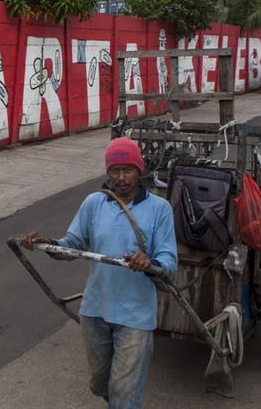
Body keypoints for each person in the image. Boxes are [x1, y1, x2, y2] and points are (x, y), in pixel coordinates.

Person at [19, 137, 177, 408]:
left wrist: (148, 263)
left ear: (140, 170)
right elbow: (72, 244)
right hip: (95, 311)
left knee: (124, 394)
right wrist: (48, 244)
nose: (121, 177)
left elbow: (168, 262)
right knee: (101, 383)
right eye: (115, 171)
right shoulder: (94, 203)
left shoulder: (159, 209)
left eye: (127, 170)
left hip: (135, 317)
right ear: (107, 173)